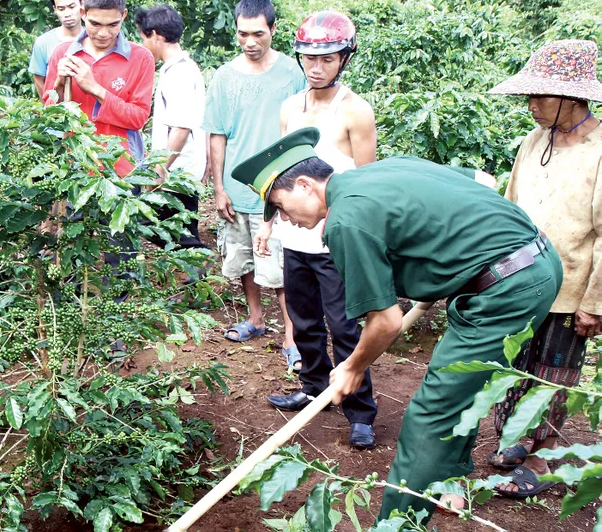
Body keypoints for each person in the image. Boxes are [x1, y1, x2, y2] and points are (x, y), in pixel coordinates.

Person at [232, 126, 563, 523]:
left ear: (305, 185)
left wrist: (353, 366)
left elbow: (386, 322)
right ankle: (449, 481)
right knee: (461, 388)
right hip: (537, 260)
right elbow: (484, 182)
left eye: (281, 207)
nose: (285, 219)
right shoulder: (384, 171)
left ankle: (397, 524)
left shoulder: (345, 220)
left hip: (507, 289)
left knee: (431, 413)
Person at [485, 39, 602, 498]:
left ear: (572, 98)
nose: (531, 105)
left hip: (570, 287)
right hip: (521, 282)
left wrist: (594, 302)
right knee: (514, 365)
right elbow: (510, 208)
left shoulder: (599, 149)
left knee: (554, 374)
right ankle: (514, 440)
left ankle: (542, 456)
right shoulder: (533, 141)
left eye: (540, 96)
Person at [259, 11, 378, 449]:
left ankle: (360, 410)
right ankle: (313, 387)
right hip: (296, 235)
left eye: (327, 58)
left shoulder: (355, 111)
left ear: (344, 58)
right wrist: (269, 224)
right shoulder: (290, 108)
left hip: (337, 240)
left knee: (344, 327)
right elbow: (280, 175)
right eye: (309, 57)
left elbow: (367, 181)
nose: (316, 66)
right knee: (304, 320)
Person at [202, 0, 305, 349]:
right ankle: (255, 318)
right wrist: (219, 188)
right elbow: (217, 134)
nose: (250, 42)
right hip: (236, 188)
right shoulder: (224, 77)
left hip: (278, 189)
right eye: (243, 33)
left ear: (273, 29)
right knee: (243, 258)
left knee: (279, 267)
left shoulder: (292, 73)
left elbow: (301, 133)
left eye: (258, 33)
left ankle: (292, 338)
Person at [42, 0, 155, 179]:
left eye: (112, 25)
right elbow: (50, 117)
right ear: (83, 13)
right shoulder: (63, 54)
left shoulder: (141, 58)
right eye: (95, 24)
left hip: (123, 172)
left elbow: (138, 118)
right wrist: (58, 84)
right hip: (75, 169)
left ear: (123, 15)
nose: (103, 33)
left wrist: (94, 88)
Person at [134, 3, 208, 250]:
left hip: (178, 171)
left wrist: (159, 170)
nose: (144, 44)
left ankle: (202, 259)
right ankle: (197, 263)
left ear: (155, 35)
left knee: (160, 227)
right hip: (181, 169)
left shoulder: (179, 74)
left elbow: (180, 128)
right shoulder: (181, 68)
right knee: (177, 230)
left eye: (144, 38)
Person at [29, 0, 84, 97]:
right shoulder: (42, 43)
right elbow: (38, 80)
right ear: (55, 10)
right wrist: (50, 105)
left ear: (82, 4)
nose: (67, 13)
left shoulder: (94, 39)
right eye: (61, 9)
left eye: (71, 7)